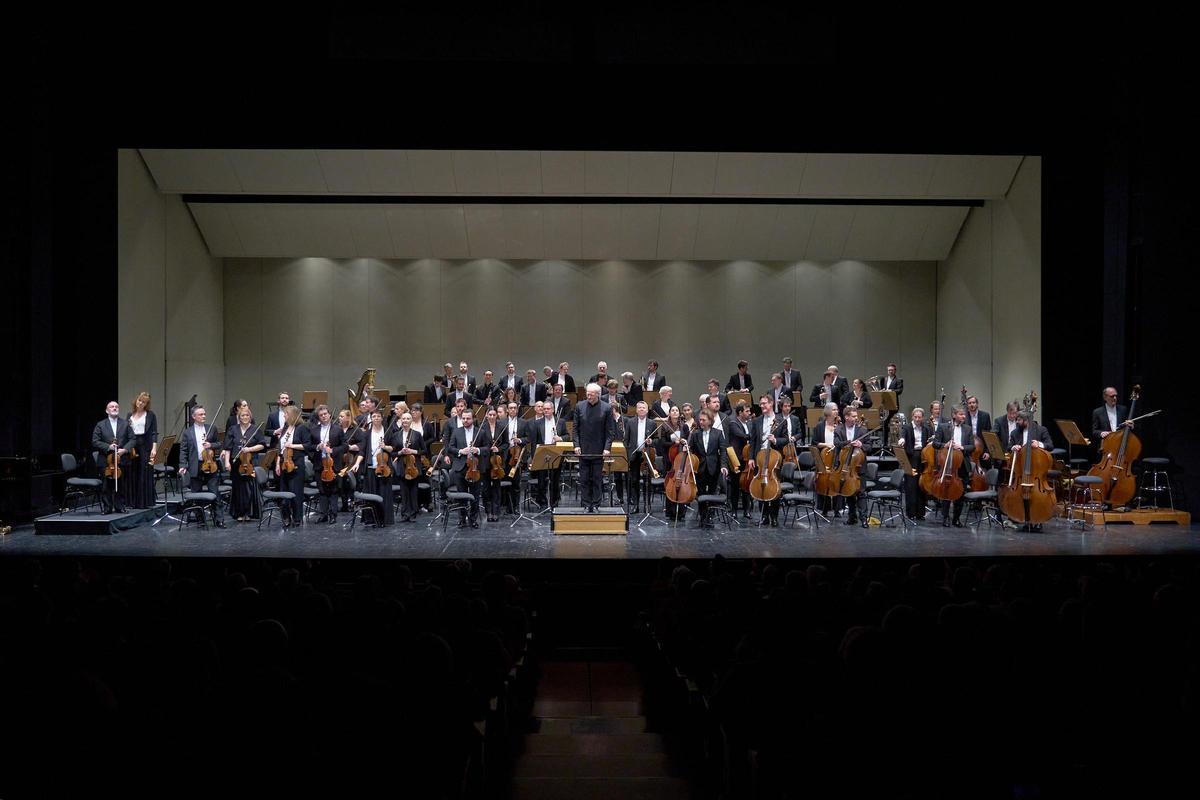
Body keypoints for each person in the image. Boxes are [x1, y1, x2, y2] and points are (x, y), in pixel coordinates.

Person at [177, 404, 224, 526]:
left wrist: (211, 445)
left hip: (210, 465)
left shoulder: (211, 428)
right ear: (193, 417)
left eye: (204, 414)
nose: (204, 416)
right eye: (200, 414)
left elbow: (219, 443)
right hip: (195, 466)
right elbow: (183, 450)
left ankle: (219, 520)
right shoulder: (188, 432)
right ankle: (200, 520)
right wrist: (183, 465)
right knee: (196, 495)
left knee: (215, 494)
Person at [350, 408, 395, 527]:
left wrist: (385, 447)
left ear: (382, 418)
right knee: (371, 494)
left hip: (385, 468)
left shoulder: (388, 432)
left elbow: (393, 449)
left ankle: (385, 519)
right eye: (374, 416)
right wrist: (357, 463)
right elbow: (362, 452)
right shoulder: (366, 434)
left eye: (378, 416)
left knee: (384, 494)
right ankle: (371, 519)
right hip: (370, 468)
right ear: (371, 419)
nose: (376, 418)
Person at [573, 383, 613, 513]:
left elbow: (610, 431)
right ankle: (585, 504)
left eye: (591, 394)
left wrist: (607, 448)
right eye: (587, 393)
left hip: (599, 450)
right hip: (583, 449)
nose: (588, 396)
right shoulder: (579, 406)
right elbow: (575, 429)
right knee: (584, 478)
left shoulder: (606, 408)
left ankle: (595, 504)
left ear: (597, 394)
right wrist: (576, 445)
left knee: (597, 479)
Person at [932, 404, 975, 528]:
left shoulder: (968, 429)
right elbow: (935, 443)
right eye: (961, 414)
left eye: (964, 414)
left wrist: (961, 447)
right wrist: (944, 445)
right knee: (945, 491)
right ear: (954, 415)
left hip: (962, 464)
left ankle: (956, 518)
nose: (963, 416)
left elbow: (972, 446)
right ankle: (945, 517)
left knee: (960, 492)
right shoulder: (943, 427)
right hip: (947, 463)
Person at [223, 405, 266, 521]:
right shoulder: (233, 429)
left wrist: (250, 449)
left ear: (250, 417)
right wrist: (227, 462)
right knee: (238, 488)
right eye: (243, 415)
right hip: (236, 463)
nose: (245, 417)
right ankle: (239, 513)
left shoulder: (255, 429)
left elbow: (262, 444)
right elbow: (227, 447)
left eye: (247, 415)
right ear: (239, 417)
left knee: (249, 488)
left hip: (251, 462)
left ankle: (249, 513)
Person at [687, 409, 729, 528]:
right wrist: (687, 448)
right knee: (700, 493)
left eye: (703, 420)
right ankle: (702, 515)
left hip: (713, 467)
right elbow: (692, 451)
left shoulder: (718, 433)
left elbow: (723, 451)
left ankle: (710, 516)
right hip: (699, 467)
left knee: (712, 491)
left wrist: (723, 466)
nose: (701, 422)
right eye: (700, 419)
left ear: (710, 421)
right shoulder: (695, 434)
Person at [835, 406, 873, 526]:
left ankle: (864, 519)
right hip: (846, 466)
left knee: (861, 493)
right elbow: (836, 443)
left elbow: (869, 447)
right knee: (849, 492)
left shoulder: (862, 430)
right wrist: (848, 443)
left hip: (859, 466)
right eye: (853, 416)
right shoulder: (839, 429)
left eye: (856, 416)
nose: (856, 418)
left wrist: (861, 444)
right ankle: (852, 518)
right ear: (846, 417)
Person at [91, 400, 132, 513]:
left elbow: (133, 439)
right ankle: (107, 508)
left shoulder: (125, 424)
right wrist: (108, 447)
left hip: (121, 458)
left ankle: (120, 506)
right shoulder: (100, 425)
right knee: (106, 485)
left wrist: (125, 450)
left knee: (121, 484)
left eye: (116, 407)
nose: (114, 408)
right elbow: (95, 441)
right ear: (107, 410)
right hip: (105, 459)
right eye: (112, 407)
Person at [274, 406, 311, 528]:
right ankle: (286, 516)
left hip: (296, 464)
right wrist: (278, 462)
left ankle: (297, 518)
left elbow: (307, 445)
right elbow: (281, 447)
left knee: (296, 492)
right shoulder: (285, 427)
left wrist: (293, 445)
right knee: (284, 492)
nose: (284, 416)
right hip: (284, 463)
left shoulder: (302, 428)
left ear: (293, 415)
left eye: (286, 414)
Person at [307, 404, 343, 524]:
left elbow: (345, 446)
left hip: (333, 465)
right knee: (322, 490)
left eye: (325, 414)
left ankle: (333, 515)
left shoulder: (337, 429)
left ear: (329, 415)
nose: (323, 416)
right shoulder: (313, 430)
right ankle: (323, 514)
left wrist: (332, 450)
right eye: (321, 415)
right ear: (318, 417)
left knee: (333, 491)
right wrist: (318, 446)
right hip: (319, 464)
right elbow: (309, 446)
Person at [750, 395, 783, 526]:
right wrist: (751, 457)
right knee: (761, 487)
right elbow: (753, 441)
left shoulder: (779, 420)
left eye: (764, 404)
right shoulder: (757, 421)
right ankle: (764, 516)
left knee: (775, 489)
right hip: (760, 458)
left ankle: (774, 516)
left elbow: (786, 439)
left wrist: (775, 440)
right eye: (761, 404)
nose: (762, 406)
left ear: (771, 404)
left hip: (774, 459)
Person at [448, 408, 483, 528]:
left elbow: (487, 448)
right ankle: (462, 519)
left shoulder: (481, 432)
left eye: (468, 418)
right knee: (461, 495)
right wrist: (460, 451)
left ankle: (473, 519)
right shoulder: (456, 431)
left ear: (473, 419)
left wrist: (477, 450)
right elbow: (450, 448)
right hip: (460, 468)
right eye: (463, 418)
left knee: (475, 495)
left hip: (474, 468)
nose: (465, 420)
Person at [896, 406, 932, 520]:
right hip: (911, 458)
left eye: (919, 417)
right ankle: (911, 513)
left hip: (923, 457)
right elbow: (902, 436)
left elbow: (930, 440)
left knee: (921, 485)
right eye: (915, 417)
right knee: (911, 485)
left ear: (922, 418)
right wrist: (902, 440)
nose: (917, 419)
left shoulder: (926, 428)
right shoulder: (907, 427)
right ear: (912, 417)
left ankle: (920, 513)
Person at [623, 401, 658, 513]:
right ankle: (636, 505)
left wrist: (651, 441)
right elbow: (626, 440)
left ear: (647, 410)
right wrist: (629, 451)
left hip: (646, 454)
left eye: (644, 408)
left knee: (647, 481)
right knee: (634, 480)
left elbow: (657, 439)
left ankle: (647, 506)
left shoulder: (652, 423)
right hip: (634, 455)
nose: (642, 409)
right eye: (639, 408)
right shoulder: (630, 422)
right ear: (636, 410)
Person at [126, 391, 159, 509]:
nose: (141, 403)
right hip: (132, 445)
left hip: (145, 445)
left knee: (144, 472)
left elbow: (154, 433)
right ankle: (132, 502)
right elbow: (127, 432)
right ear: (136, 400)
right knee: (132, 472)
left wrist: (154, 448)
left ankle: (144, 502)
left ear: (146, 404)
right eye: (140, 400)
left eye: (144, 402)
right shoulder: (129, 414)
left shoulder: (150, 415)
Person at [530, 401, 565, 508]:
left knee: (555, 480)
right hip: (542, 454)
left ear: (553, 410)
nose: (545, 411)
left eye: (548, 409)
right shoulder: (537, 423)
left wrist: (560, 438)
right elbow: (534, 442)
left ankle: (554, 503)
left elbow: (568, 436)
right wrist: (534, 458)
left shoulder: (561, 422)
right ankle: (543, 503)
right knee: (542, 481)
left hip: (556, 453)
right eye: (544, 409)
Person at [477, 407, 507, 522]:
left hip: (497, 461)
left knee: (496, 487)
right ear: (486, 415)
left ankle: (496, 511)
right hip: (485, 461)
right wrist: (488, 449)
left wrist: (498, 448)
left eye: (494, 415)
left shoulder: (502, 427)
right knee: (486, 488)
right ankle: (488, 511)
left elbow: (506, 444)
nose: (492, 417)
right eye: (490, 415)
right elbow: (479, 444)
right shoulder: (481, 427)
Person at [726, 402, 754, 519]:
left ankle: (747, 511)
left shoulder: (750, 423)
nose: (749, 413)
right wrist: (756, 435)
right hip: (736, 458)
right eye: (746, 411)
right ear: (740, 412)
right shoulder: (733, 423)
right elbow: (742, 436)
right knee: (735, 485)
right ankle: (734, 511)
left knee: (746, 484)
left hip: (747, 458)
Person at [394, 412, 425, 522]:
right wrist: (400, 452)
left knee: (413, 491)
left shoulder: (417, 434)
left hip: (414, 466)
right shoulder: (396, 435)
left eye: (408, 419)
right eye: (404, 419)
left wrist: (413, 451)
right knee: (404, 491)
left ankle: (413, 513)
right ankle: (404, 514)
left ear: (411, 421)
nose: (405, 420)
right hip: (402, 466)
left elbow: (424, 450)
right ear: (401, 421)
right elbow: (393, 453)